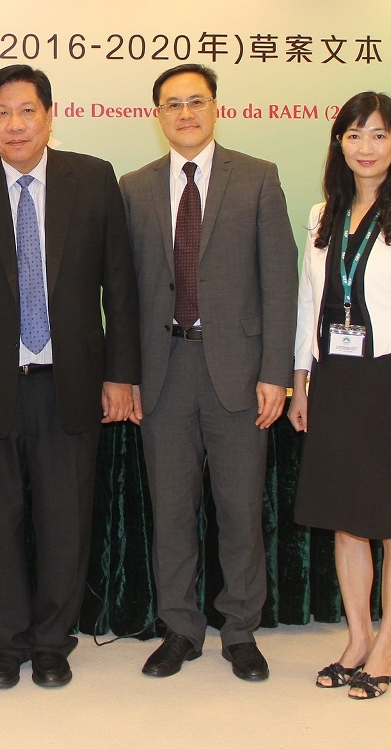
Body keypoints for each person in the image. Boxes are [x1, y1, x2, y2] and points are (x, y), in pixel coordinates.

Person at [0, 64, 141, 689]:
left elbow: (119, 287)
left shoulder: (93, 179)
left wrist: (122, 375)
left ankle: (52, 641)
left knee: (64, 521)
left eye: (26, 111)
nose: (15, 124)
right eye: (1, 113)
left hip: (69, 382)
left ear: (50, 115)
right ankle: (3, 644)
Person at [119, 64, 298, 683]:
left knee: (240, 508)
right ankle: (180, 628)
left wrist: (277, 371)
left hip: (239, 373)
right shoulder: (134, 187)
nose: (186, 113)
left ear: (217, 107)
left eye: (197, 101)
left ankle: (241, 631)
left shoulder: (257, 178)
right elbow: (122, 293)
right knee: (171, 510)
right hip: (162, 372)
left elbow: (281, 281)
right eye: (173, 104)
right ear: (158, 115)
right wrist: (125, 373)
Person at [287, 91, 391, 700]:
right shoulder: (320, 214)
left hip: (390, 381)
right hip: (334, 379)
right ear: (338, 143)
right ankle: (356, 637)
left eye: (379, 135)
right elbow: (310, 302)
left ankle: (387, 645)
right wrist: (300, 381)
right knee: (347, 521)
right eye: (354, 135)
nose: (366, 147)